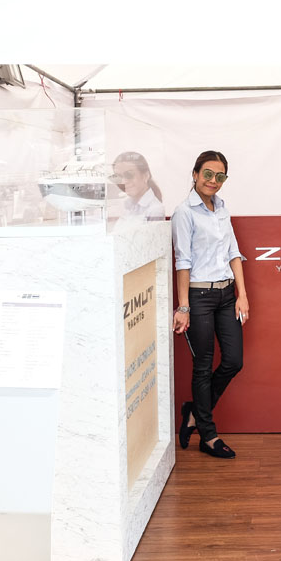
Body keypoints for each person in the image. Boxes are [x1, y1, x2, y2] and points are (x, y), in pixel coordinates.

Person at [171, 150, 249, 459]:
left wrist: (242, 294)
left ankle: (194, 412)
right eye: (207, 174)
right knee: (202, 367)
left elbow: (234, 253)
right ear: (195, 174)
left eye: (220, 176)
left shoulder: (222, 209)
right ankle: (208, 435)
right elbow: (183, 261)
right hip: (199, 297)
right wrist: (184, 307)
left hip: (227, 295)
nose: (213, 181)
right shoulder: (184, 212)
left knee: (233, 361)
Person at [109, 151, 165, 221]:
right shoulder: (125, 206)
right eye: (118, 177)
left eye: (129, 175)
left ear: (146, 176)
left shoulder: (154, 211)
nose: (123, 182)